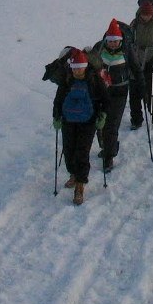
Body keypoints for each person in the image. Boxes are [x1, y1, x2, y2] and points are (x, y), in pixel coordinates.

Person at [53, 47, 108, 205]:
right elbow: (59, 99)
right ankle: (74, 174)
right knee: (69, 151)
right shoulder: (67, 79)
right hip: (68, 121)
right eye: (75, 68)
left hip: (88, 121)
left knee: (82, 152)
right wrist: (56, 116)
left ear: (85, 66)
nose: (78, 71)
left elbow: (105, 99)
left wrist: (102, 115)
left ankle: (80, 185)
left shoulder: (93, 78)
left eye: (81, 68)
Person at [88, 18, 133, 173]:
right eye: (110, 41)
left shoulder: (127, 50)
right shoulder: (99, 49)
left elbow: (136, 69)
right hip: (102, 91)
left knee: (112, 125)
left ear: (120, 40)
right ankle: (107, 147)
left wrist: (140, 87)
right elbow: (90, 66)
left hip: (120, 91)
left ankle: (109, 157)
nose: (113, 43)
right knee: (101, 122)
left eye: (116, 41)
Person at [129, 0, 153, 129]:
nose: (146, 17)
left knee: (148, 89)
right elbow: (129, 40)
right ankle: (136, 119)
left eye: (148, 14)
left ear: (152, 13)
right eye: (144, 14)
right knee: (134, 91)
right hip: (135, 60)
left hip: (150, 61)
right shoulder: (134, 23)